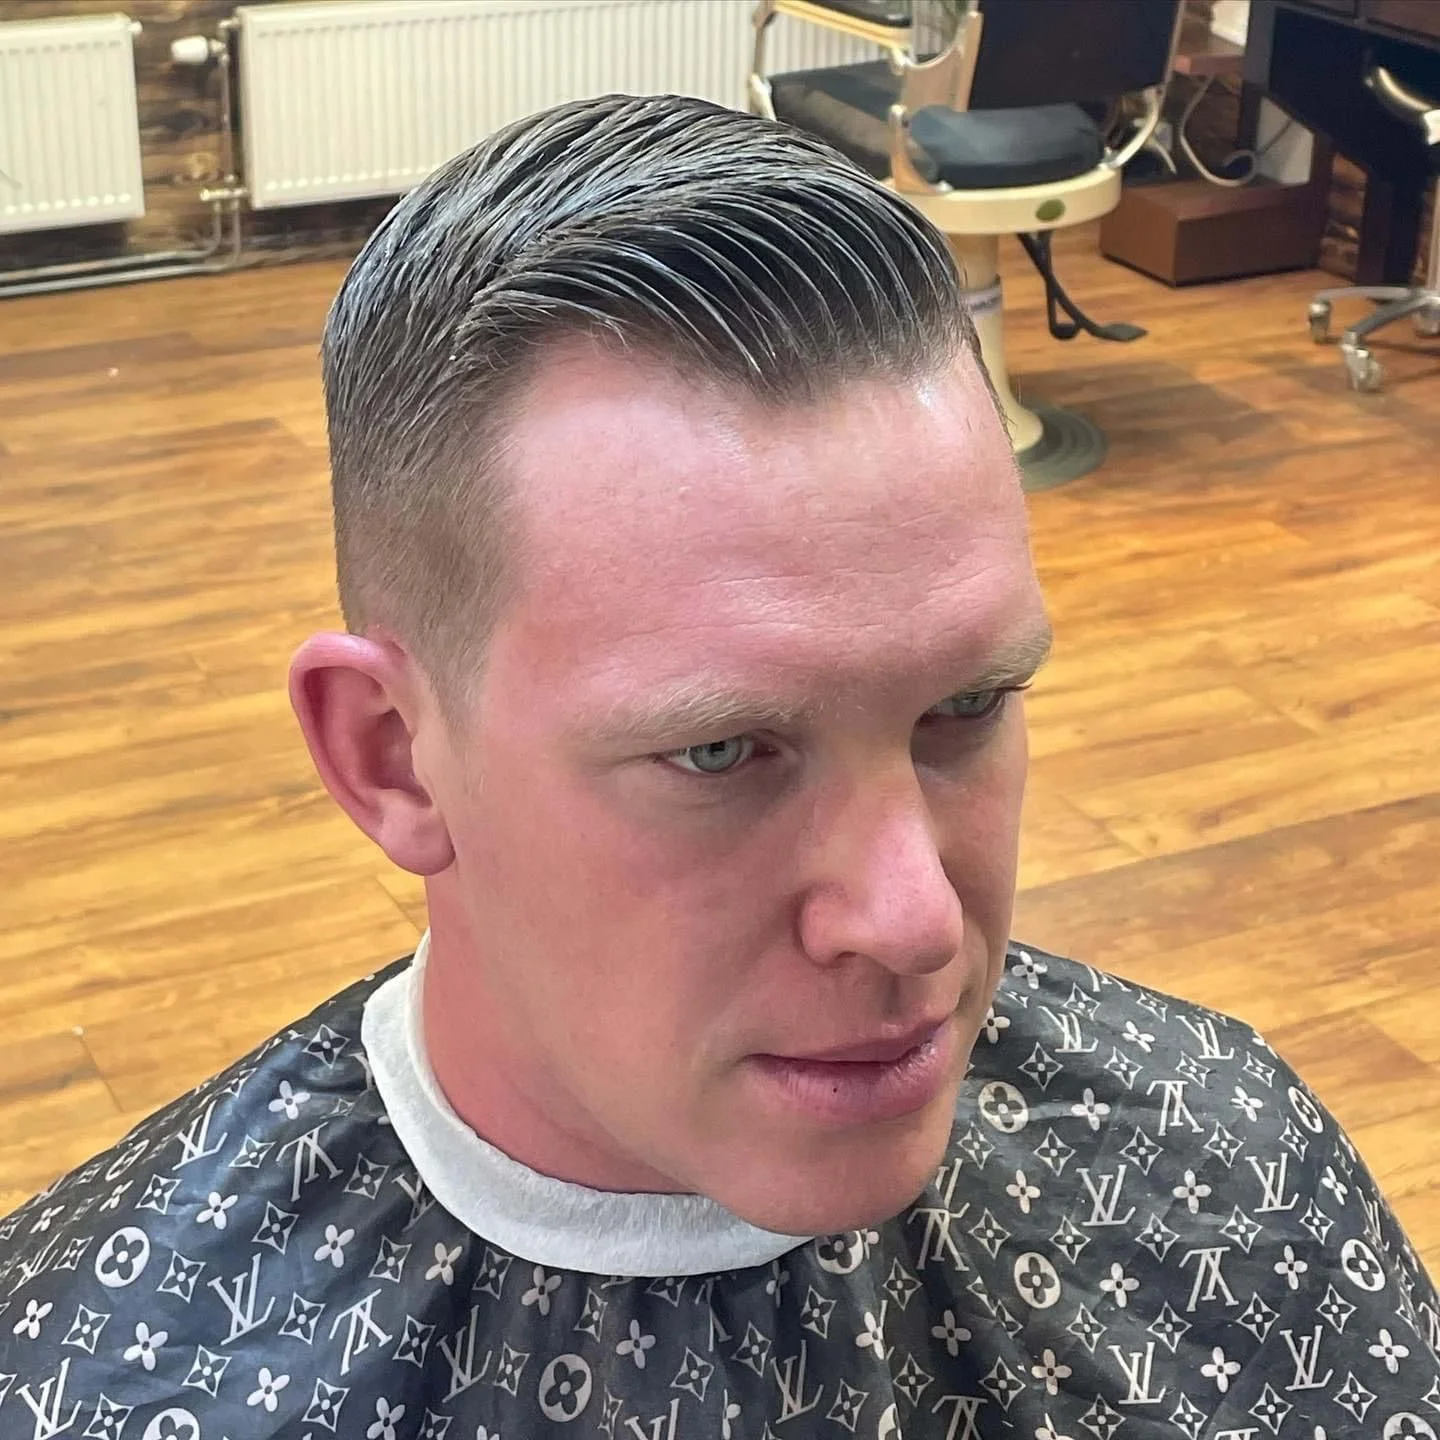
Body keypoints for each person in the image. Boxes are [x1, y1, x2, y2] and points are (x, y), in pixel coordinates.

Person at [1, 93, 1435, 1440]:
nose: (917, 921)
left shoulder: (1235, 1170)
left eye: (968, 705)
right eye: (718, 749)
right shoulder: (88, 1372)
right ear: (393, 759)